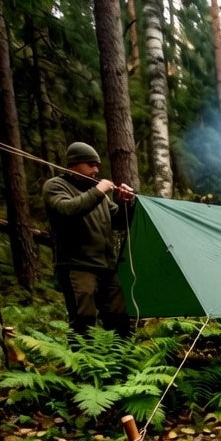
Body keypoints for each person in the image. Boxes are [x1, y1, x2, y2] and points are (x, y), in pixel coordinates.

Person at [43, 142, 136, 336]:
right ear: (74, 164)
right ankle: (84, 365)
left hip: (107, 267)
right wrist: (98, 191)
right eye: (90, 164)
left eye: (98, 165)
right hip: (77, 266)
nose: (96, 169)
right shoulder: (56, 186)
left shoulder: (97, 193)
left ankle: (122, 364)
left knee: (120, 317)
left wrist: (126, 202)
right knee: (84, 320)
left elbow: (118, 221)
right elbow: (67, 210)